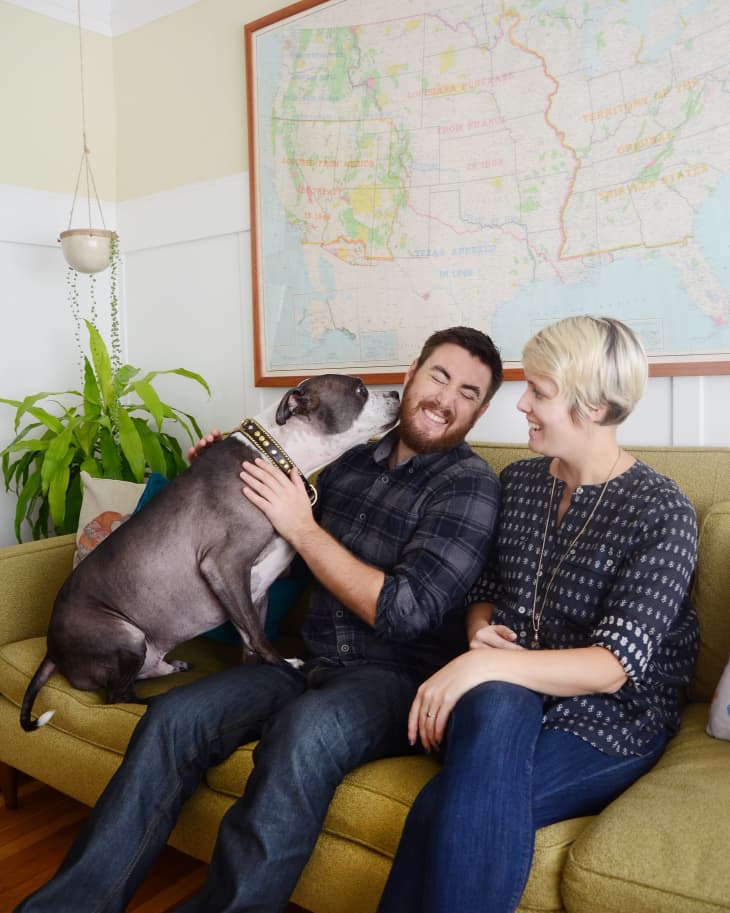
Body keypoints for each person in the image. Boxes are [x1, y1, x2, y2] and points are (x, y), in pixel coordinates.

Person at [15, 326, 504, 913]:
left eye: (470, 393)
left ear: (480, 411)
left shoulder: (468, 486)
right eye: (439, 376)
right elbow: (276, 557)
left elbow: (406, 613)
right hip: (308, 660)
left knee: (306, 733)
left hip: (391, 677)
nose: (447, 397)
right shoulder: (348, 459)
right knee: (174, 718)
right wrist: (221, 480)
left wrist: (300, 524)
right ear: (411, 376)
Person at [377, 316, 699, 913]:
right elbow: (488, 589)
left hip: (611, 721)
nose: (521, 403)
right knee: (497, 703)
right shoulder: (522, 482)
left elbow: (611, 667)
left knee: (439, 806)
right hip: (510, 698)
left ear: (596, 406)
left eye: (540, 392)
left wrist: (476, 669)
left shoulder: (662, 511)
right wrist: (479, 638)